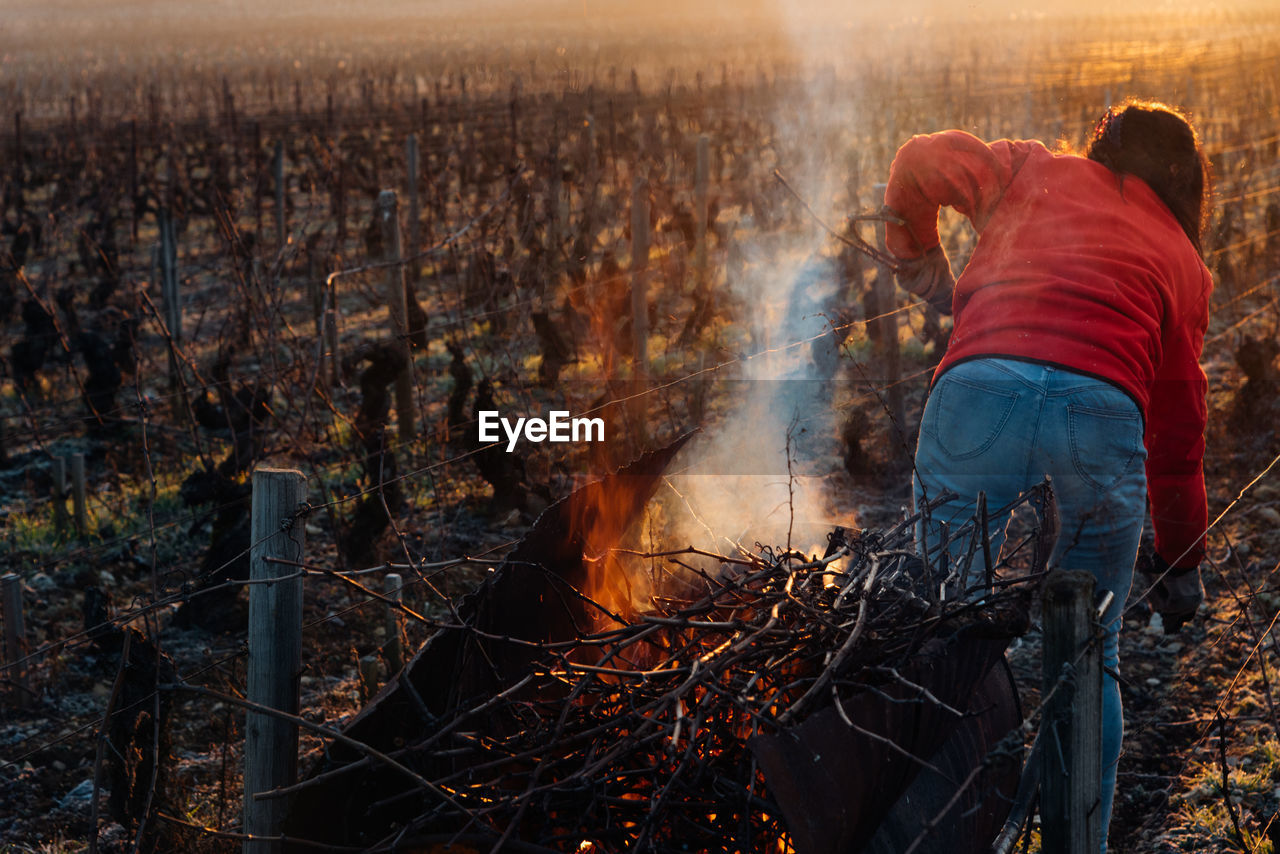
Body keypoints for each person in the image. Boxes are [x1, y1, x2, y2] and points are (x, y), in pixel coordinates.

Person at [881, 99, 1213, 851]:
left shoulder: (1029, 167)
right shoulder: (1185, 262)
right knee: (1090, 652)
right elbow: (1180, 423)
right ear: (1188, 183)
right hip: (1099, 422)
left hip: (976, 398)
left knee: (940, 634)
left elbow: (919, 158)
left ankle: (930, 836)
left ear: (1100, 147)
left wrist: (915, 257)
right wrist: (1182, 559)